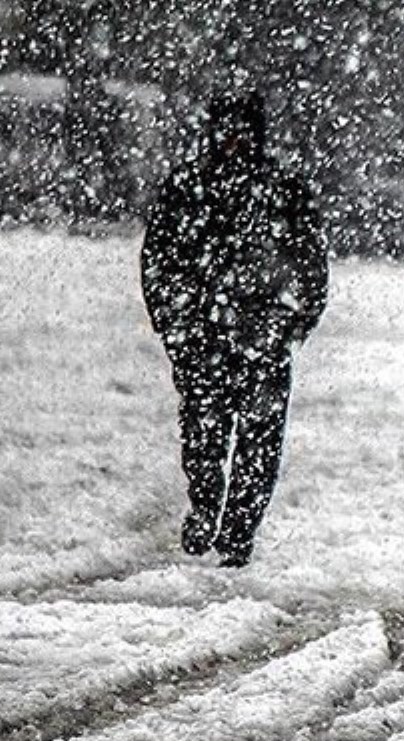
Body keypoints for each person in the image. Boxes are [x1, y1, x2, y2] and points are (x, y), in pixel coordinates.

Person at [141, 91, 328, 567]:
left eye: (244, 132)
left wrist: (292, 324)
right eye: (228, 132)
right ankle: (206, 508)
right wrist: (175, 324)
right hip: (204, 337)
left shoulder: (282, 192)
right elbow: (157, 263)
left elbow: (311, 265)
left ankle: (238, 531)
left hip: (261, 338)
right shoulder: (187, 189)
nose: (235, 142)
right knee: (204, 434)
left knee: (258, 443)